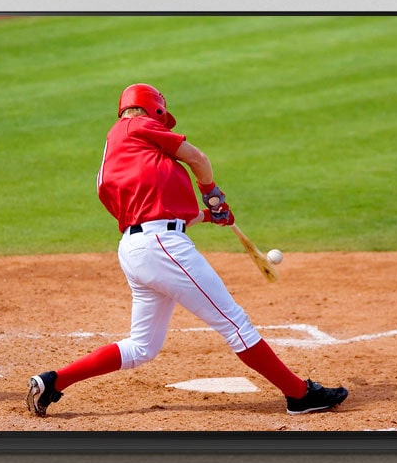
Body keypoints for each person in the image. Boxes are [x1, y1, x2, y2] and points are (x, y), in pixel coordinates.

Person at [25, 83, 348, 417]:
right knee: (235, 324)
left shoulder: (116, 156)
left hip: (137, 250)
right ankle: (299, 395)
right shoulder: (138, 125)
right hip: (161, 247)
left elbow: (160, 212)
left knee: (141, 347)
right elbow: (198, 158)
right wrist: (211, 191)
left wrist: (211, 215)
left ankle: (54, 381)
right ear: (155, 110)